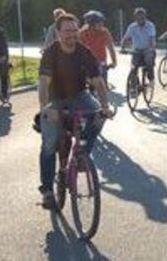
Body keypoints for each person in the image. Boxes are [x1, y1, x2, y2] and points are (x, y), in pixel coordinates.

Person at [37, 13, 112, 209]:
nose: (70, 35)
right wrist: (45, 109)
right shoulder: (50, 53)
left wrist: (106, 106)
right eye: (66, 31)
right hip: (55, 100)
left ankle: (82, 154)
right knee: (50, 143)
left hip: (79, 96)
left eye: (73, 30)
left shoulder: (84, 52)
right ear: (58, 33)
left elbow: (98, 82)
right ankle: (46, 190)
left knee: (99, 116)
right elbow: (43, 84)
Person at [121, 7, 157, 89]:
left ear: (145, 17)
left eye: (142, 17)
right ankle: (135, 86)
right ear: (135, 17)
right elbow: (126, 38)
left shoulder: (150, 26)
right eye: (138, 17)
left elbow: (151, 39)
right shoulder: (132, 26)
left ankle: (151, 79)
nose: (140, 19)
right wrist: (123, 48)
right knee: (133, 67)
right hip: (136, 50)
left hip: (148, 49)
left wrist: (151, 48)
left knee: (149, 62)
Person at [78, 10, 117, 85]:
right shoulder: (82, 33)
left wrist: (114, 62)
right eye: (99, 22)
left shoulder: (104, 32)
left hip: (101, 61)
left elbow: (111, 48)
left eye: (102, 22)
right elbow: (77, 48)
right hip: (86, 61)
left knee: (103, 84)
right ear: (91, 24)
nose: (102, 24)